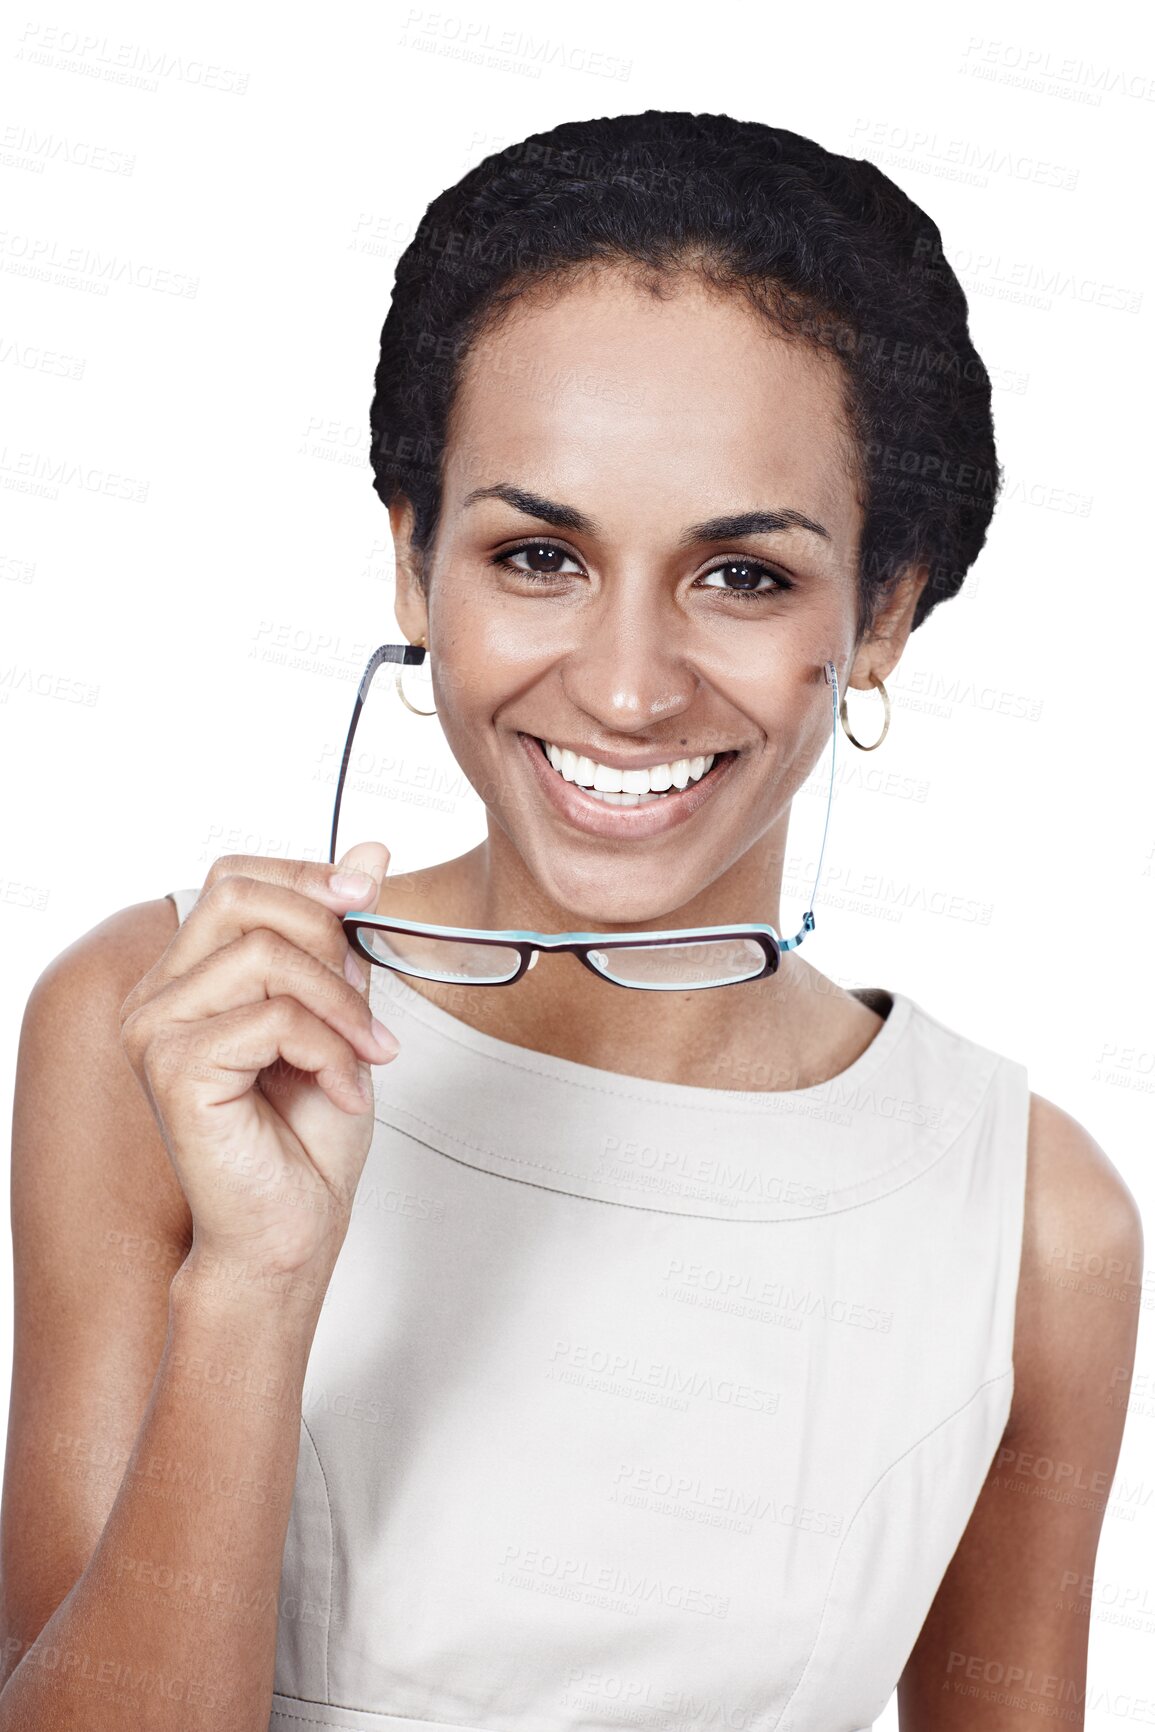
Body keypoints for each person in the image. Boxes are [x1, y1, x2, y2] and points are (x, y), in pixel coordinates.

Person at [0, 110, 1142, 1732]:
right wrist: (255, 1281)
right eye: (538, 555)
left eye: (742, 576)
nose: (622, 685)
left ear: (885, 610)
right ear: (413, 562)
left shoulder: (1035, 1222)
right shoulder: (161, 1026)